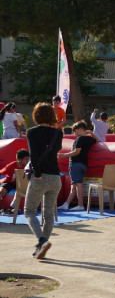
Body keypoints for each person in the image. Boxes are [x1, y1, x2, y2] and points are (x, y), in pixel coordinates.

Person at [25, 102, 63, 259]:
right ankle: (42, 247)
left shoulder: (32, 132)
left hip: (40, 176)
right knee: (48, 214)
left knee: (29, 211)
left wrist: (38, 173)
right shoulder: (58, 133)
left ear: (36, 116)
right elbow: (57, 150)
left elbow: (33, 155)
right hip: (55, 177)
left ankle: (41, 240)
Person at [57, 121, 98, 211]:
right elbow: (97, 140)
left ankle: (80, 204)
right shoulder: (88, 139)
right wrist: (91, 133)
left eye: (75, 131)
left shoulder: (79, 139)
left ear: (80, 130)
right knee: (74, 184)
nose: (74, 133)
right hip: (83, 164)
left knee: (78, 184)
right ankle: (66, 204)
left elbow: (76, 152)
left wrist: (63, 155)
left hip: (76, 164)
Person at [0, 149, 29, 213]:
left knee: (22, 190)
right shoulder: (12, 165)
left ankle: (15, 203)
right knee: (1, 192)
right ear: (20, 160)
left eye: (28, 159)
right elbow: (1, 172)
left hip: (20, 184)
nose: (28, 161)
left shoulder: (27, 167)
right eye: (26, 159)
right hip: (9, 182)